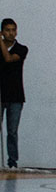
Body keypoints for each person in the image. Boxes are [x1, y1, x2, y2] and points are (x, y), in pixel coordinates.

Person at [1, 18, 29, 170]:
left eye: (13, 30)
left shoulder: (21, 49)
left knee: (12, 131)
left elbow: (8, 58)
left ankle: (12, 161)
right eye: (7, 30)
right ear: (2, 32)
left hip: (16, 96)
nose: (11, 33)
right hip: (1, 95)